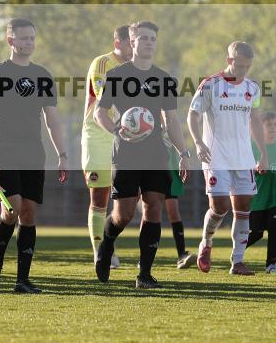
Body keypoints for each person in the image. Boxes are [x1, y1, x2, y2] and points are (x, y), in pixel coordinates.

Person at [93, 21, 191, 289]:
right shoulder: (117, 76)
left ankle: (144, 274)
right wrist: (115, 128)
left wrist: (183, 153)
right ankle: (107, 245)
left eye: (152, 39)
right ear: (132, 42)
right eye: (143, 38)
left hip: (155, 154)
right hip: (125, 153)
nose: (149, 42)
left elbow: (171, 119)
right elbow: (99, 112)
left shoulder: (164, 79)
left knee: (153, 208)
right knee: (122, 215)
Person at [0, 19, 67, 293]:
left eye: (32, 38)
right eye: (23, 38)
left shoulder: (43, 76)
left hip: (33, 151)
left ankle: (22, 280)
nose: (29, 42)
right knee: (11, 209)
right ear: (10, 41)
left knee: (28, 213)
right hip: (2, 149)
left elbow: (52, 120)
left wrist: (62, 154)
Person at [188, 41, 267, 276]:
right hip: (216, 156)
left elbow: (255, 119)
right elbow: (193, 114)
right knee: (220, 206)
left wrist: (262, 153)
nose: (243, 71)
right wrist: (198, 142)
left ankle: (238, 261)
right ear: (229, 60)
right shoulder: (210, 85)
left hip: (243, 157)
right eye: (239, 65)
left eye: (247, 67)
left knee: (243, 207)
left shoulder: (253, 88)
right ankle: (206, 243)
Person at [81, 25, 131, 269]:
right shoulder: (102, 63)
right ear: (118, 42)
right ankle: (100, 251)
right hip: (100, 133)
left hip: (127, 135)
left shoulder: (142, 68)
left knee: (128, 198)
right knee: (100, 196)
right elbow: (104, 98)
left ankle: (108, 243)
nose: (134, 45)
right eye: (130, 41)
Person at [247, 111, 276, 274]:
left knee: (274, 228)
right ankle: (237, 251)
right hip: (258, 199)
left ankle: (271, 265)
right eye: (268, 125)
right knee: (257, 234)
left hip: (275, 198)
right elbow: (247, 169)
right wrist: (256, 168)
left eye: (275, 125)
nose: (272, 128)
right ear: (260, 128)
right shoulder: (253, 146)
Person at [163, 132, 193, 268]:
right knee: (149, 213)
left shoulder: (172, 124)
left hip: (170, 172)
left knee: (174, 213)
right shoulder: (148, 119)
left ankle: (182, 255)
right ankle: (143, 257)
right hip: (152, 170)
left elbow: (180, 146)